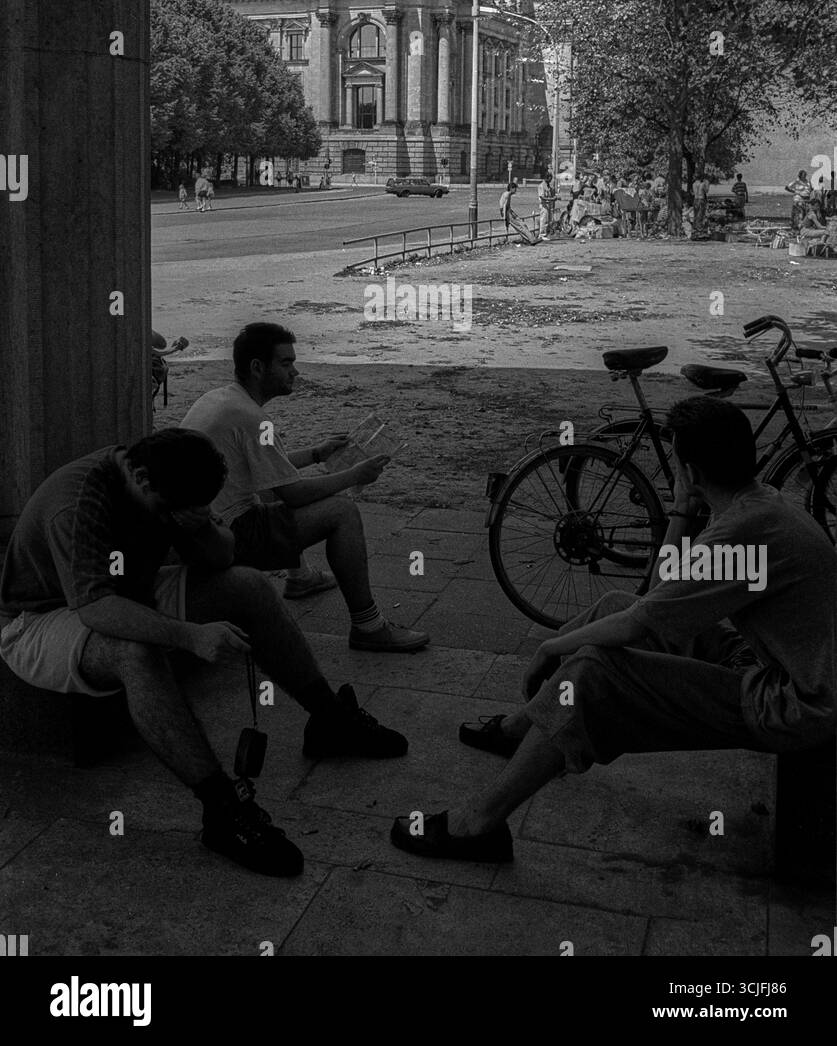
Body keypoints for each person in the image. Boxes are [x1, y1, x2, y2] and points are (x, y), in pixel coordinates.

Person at [389, 397, 835, 864]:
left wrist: (552, 645)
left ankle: (476, 824)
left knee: (591, 673)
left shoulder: (744, 530)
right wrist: (683, 510)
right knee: (613, 606)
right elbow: (656, 596)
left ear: (690, 470)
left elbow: (645, 618)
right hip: (782, 667)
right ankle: (523, 728)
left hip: (799, 703)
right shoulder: (760, 504)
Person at [0, 429, 410, 880]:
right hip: (40, 617)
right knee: (134, 650)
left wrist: (193, 524)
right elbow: (97, 609)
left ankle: (331, 719)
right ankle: (222, 811)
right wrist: (188, 635)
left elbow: (225, 554)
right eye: (167, 510)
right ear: (139, 479)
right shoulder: (79, 504)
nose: (172, 517)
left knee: (249, 586)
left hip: (125, 591)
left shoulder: (173, 478)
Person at [180, 323, 430, 653]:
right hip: (226, 537)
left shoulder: (220, 400)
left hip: (198, 530)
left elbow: (267, 471)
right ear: (258, 367)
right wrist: (355, 475)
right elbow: (294, 493)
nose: (295, 372)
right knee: (342, 513)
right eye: (285, 363)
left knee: (269, 489)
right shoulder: (252, 419)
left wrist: (316, 453)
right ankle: (369, 626)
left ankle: (301, 577)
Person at [785, 169, 813, 233]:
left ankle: (804, 227)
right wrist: (795, 192)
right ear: (800, 175)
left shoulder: (808, 182)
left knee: (806, 213)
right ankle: (796, 227)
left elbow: (811, 189)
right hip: (798, 199)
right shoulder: (796, 182)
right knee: (799, 213)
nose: (805, 176)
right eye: (803, 175)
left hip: (806, 199)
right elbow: (787, 187)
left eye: (805, 175)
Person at [537, 172, 554, 240]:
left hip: (549, 204)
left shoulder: (548, 186)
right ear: (547, 178)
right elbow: (542, 197)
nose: (551, 180)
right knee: (543, 220)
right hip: (544, 205)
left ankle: (546, 234)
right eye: (550, 178)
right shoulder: (541, 186)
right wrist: (551, 199)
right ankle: (542, 234)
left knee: (548, 220)